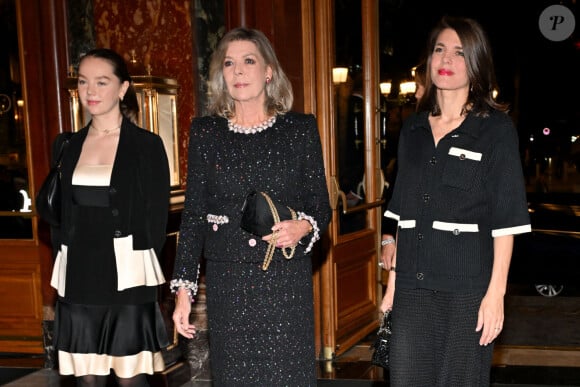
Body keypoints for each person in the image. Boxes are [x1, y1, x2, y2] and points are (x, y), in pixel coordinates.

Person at [170, 27, 331, 386]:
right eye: (229, 63)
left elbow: (321, 207)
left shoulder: (299, 130)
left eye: (248, 61)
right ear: (221, 75)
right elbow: (194, 215)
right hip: (229, 284)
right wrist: (184, 293)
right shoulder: (206, 133)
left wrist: (303, 227)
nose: (238, 71)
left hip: (284, 284)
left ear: (268, 71)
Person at [380, 16, 531, 386]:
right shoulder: (413, 130)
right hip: (413, 291)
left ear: (476, 65)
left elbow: (506, 221)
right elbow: (404, 216)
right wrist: (393, 286)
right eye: (439, 50)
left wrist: (496, 295)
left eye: (459, 53)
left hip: (466, 293)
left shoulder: (494, 130)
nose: (446, 59)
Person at [49, 48, 170, 387]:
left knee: (132, 379)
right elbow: (59, 213)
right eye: (84, 82)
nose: (91, 91)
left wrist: (144, 271)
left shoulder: (147, 146)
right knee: (87, 380)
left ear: (122, 88)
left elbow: (156, 219)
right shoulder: (66, 145)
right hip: (79, 275)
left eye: (102, 82)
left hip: (127, 277)